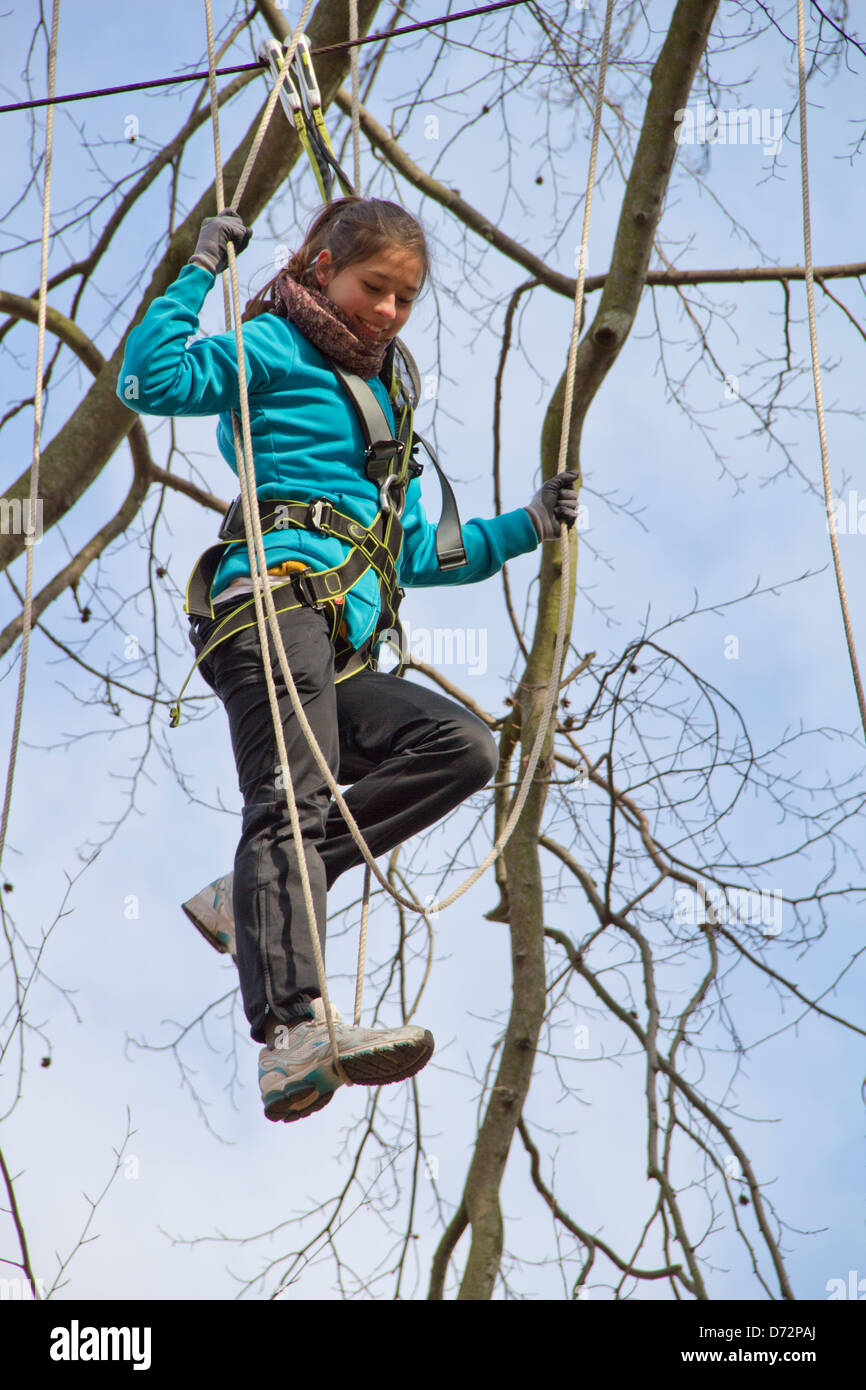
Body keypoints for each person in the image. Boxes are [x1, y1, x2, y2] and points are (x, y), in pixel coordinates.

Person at [117, 196, 578, 1125]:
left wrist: (526, 526)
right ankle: (292, 1036)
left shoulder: (384, 409)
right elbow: (150, 380)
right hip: (273, 604)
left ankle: (256, 890)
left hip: (343, 645)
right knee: (290, 800)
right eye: (376, 290)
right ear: (323, 266)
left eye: (407, 301)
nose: (389, 314)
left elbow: (417, 555)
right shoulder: (277, 349)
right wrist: (198, 269)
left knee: (463, 751)